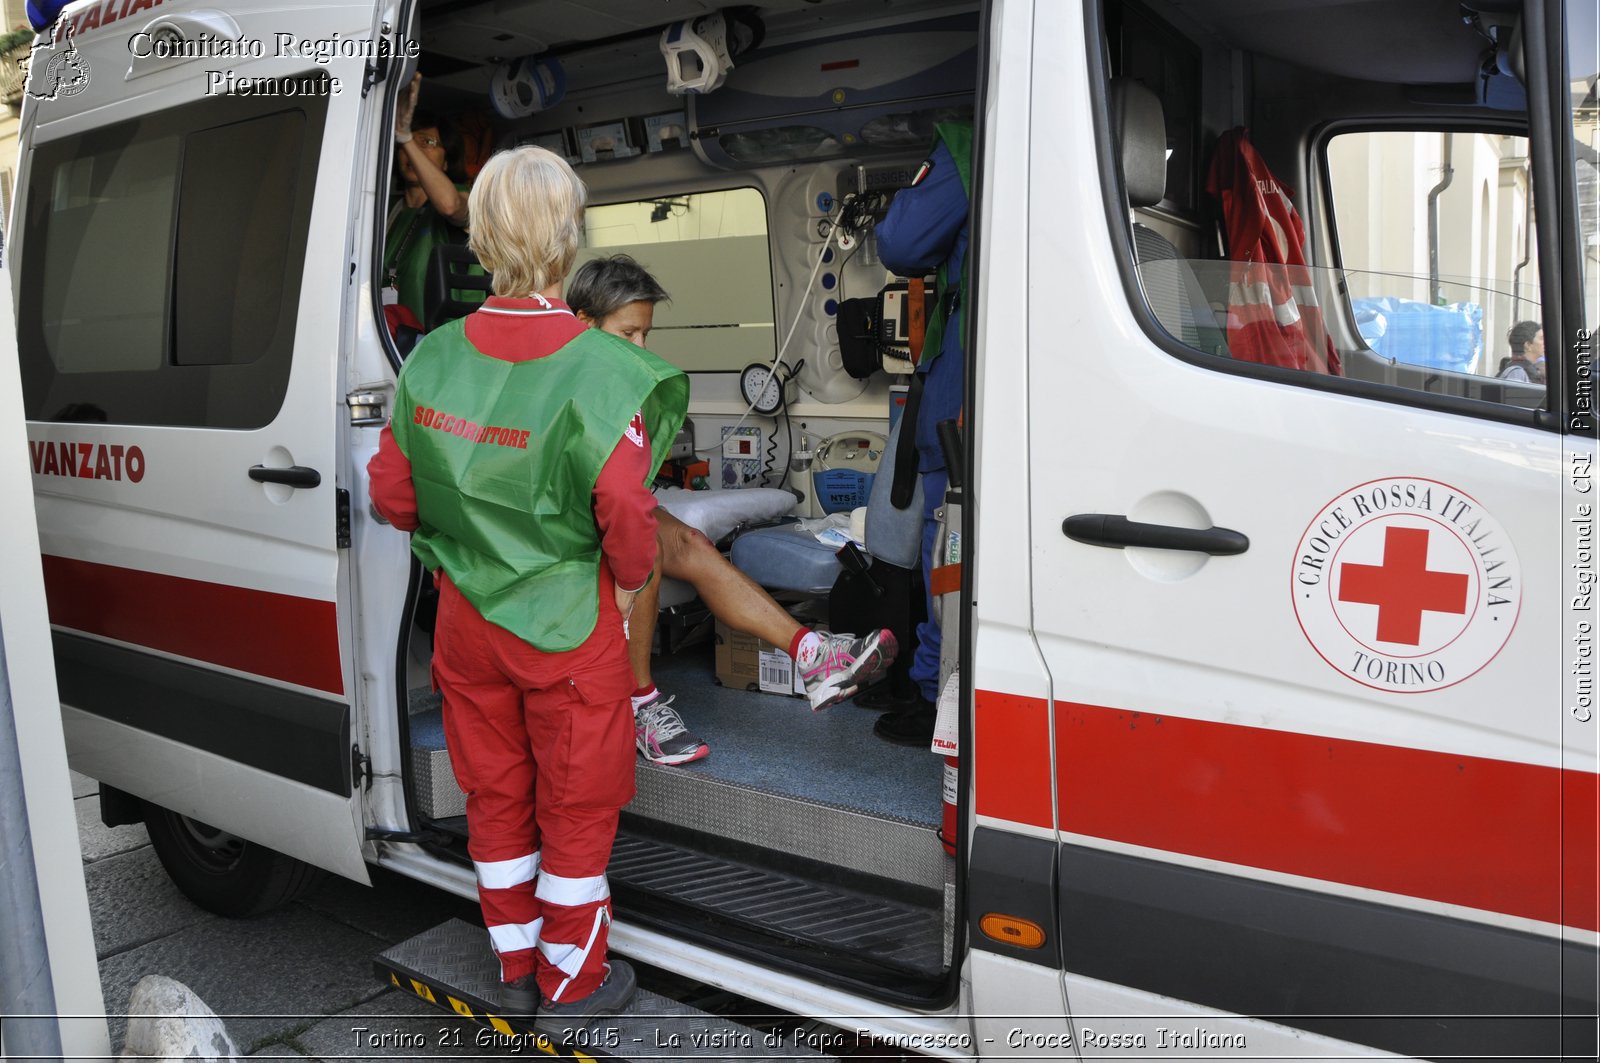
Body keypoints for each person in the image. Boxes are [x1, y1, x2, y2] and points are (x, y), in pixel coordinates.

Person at [367, 148, 688, 1029]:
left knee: (496, 795)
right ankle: (573, 980)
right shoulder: (605, 369)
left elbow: (394, 494)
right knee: (577, 803)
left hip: (467, 626)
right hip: (567, 626)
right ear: (568, 235)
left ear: (479, 237)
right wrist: (626, 586)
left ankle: (513, 960)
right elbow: (625, 506)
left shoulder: (429, 358)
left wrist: (462, 543)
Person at [565, 254, 899, 765]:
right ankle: (639, 705)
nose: (641, 349)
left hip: (614, 506)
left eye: (646, 336)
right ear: (584, 323)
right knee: (645, 548)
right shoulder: (559, 384)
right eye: (627, 334)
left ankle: (813, 657)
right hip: (567, 518)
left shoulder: (617, 381)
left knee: (692, 543)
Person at [872, 121, 973, 746]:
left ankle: (939, 701)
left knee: (949, 551)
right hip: (993, 385)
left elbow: (903, 244)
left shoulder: (970, 142)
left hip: (963, 389)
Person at [384, 73, 471, 329]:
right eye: (412, 142)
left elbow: (451, 206)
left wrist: (405, 137)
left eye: (428, 143)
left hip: (441, 345)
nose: (415, 151)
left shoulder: (460, 196)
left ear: (446, 160)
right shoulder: (386, 212)